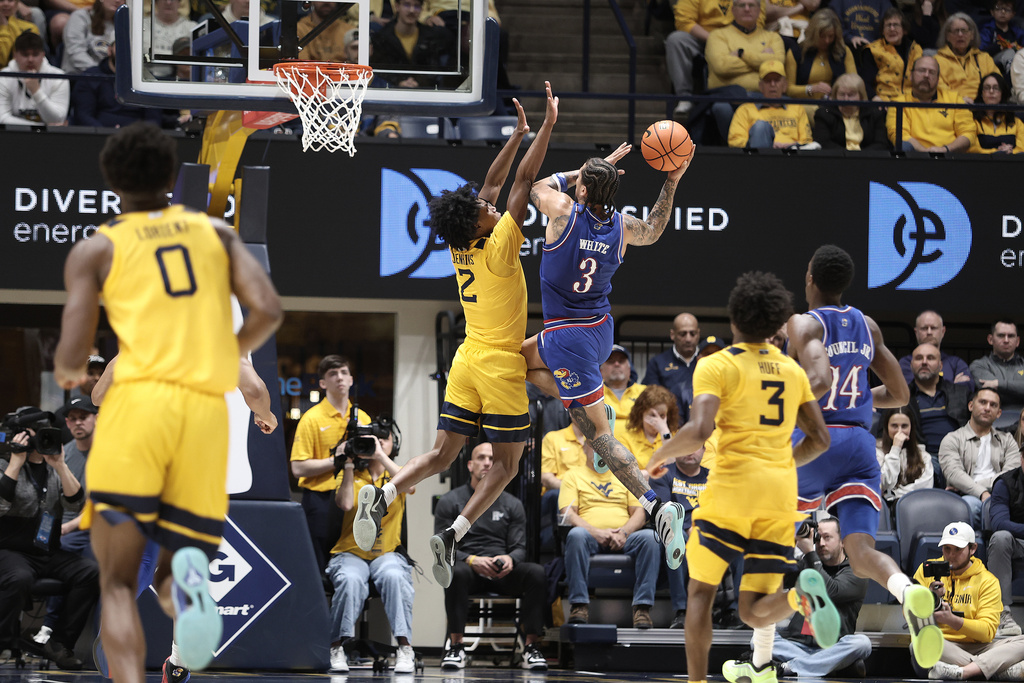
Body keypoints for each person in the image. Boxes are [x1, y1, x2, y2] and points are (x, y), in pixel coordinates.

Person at [52, 123, 282, 681]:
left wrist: (88, 377)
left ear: (114, 183)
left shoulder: (98, 249)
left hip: (140, 420)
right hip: (203, 423)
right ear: (171, 180)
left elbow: (71, 364)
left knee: (116, 582)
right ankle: (188, 590)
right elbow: (269, 312)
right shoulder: (217, 239)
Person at [354, 86, 559, 588]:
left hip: (467, 360)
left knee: (442, 454)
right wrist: (549, 125)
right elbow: (524, 181)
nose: (488, 205)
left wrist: (516, 136)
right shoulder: (500, 247)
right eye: (484, 209)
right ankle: (456, 531)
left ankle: (382, 495)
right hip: (498, 364)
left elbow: (491, 183)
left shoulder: (464, 245)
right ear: (479, 223)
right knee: (508, 467)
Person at [646, 270, 836, 683]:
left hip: (732, 490)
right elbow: (820, 439)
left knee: (700, 593)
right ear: (777, 323)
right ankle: (799, 596)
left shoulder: (717, 365)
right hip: (780, 495)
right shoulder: (792, 369)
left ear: (734, 320)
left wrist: (658, 456)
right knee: (753, 609)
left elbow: (699, 431)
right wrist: (783, 460)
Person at [519, 123, 692, 576]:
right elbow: (655, 228)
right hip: (598, 328)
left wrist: (589, 170)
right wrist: (671, 179)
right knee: (513, 360)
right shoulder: (620, 227)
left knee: (598, 437)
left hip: (567, 335)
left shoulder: (562, 214)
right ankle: (584, 398)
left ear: (582, 190)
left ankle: (656, 507)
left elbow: (536, 184)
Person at [785, 244, 944, 671]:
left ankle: (808, 592)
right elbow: (901, 394)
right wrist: (860, 401)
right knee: (861, 554)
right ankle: (907, 591)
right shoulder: (866, 324)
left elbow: (815, 385)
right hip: (859, 443)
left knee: (775, 526)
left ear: (811, 279)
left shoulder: (802, 323)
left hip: (817, 437)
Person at [0, 408, 99, 670]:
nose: (44, 437)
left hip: (47, 551)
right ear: (21, 435)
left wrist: (61, 465)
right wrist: (15, 463)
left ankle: (59, 643)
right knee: (19, 577)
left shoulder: (53, 467)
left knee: (90, 572)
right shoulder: (3, 465)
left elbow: (77, 505)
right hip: (10, 550)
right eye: (38, 432)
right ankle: (3, 641)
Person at [436, 443, 548, 671]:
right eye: (481, 458)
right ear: (470, 465)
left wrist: (510, 559)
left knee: (536, 572)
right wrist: (471, 560)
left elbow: (519, 547)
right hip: (469, 570)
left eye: (492, 458)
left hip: (502, 571)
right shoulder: (450, 501)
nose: (487, 462)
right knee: (454, 572)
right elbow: (443, 546)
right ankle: (456, 647)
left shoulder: (512, 504)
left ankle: (531, 649)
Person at [328, 432, 416, 674]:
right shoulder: (352, 475)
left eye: (382, 439)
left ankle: (405, 647)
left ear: (393, 445)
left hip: (387, 553)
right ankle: (337, 647)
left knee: (395, 577)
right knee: (349, 580)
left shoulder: (397, 474)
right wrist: (347, 463)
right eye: (370, 440)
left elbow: (411, 484)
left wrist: (379, 455)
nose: (376, 443)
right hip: (351, 552)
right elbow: (345, 504)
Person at [559, 440, 662, 629]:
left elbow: (639, 513)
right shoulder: (572, 476)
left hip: (625, 535)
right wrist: (596, 532)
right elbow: (569, 514)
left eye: (603, 447)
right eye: (593, 446)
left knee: (650, 538)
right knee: (575, 535)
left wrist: (624, 532)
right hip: (589, 535)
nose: (598, 451)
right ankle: (579, 605)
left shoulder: (626, 475)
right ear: (584, 449)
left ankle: (642, 608)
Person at [290, 355, 372, 572]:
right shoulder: (311, 418)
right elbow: (298, 468)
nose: (340, 378)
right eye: (333, 374)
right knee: (317, 568)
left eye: (344, 372)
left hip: (356, 500)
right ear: (323, 383)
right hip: (321, 501)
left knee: (355, 567)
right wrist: (337, 459)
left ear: (352, 379)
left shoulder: (363, 419)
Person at [913, 522, 1024, 681]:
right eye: (947, 549)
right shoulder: (927, 570)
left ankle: (964, 672)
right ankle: (997, 671)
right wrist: (929, 599)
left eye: (958, 549)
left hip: (982, 647)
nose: (951, 555)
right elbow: (910, 616)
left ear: (972, 549)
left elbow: (987, 632)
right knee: (918, 644)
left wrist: (953, 620)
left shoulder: (987, 581)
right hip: (944, 644)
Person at [772, 517, 872, 678]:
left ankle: (792, 666)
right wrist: (790, 543)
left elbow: (830, 591)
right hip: (796, 644)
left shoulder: (857, 572)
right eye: (818, 538)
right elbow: (778, 580)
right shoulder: (808, 563)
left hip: (831, 647)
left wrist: (810, 554)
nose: (821, 543)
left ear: (843, 542)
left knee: (862, 644)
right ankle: (830, 666)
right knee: (758, 640)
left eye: (827, 537)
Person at [663, 0, 767, 120]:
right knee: (675, 40)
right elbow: (684, 22)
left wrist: (731, 42)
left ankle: (750, 94)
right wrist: (715, 40)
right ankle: (684, 97)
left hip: (738, 38)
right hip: (702, 37)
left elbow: (757, 20)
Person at [939, 388, 1021, 529]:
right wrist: (981, 493)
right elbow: (954, 474)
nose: (987, 408)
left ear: (999, 413)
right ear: (971, 406)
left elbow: (1011, 474)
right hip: (966, 498)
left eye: (993, 405)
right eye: (983, 402)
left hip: (1000, 496)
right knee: (970, 506)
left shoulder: (1008, 440)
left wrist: (976, 486)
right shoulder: (952, 439)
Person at [704, 0, 785, 142]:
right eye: (742, 5)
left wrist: (742, 55)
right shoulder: (717, 35)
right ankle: (738, 147)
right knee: (720, 108)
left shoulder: (773, 37)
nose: (747, 9)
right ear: (733, 10)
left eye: (752, 5)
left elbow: (778, 64)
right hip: (729, 97)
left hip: (764, 97)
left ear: (759, 10)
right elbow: (722, 67)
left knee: (796, 107)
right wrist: (763, 59)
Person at [649, 445, 710, 630]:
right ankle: (682, 611)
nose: (690, 451)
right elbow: (663, 513)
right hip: (676, 529)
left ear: (704, 450)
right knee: (677, 538)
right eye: (686, 446)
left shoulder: (714, 477)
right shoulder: (663, 475)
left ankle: (733, 611)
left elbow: (722, 510)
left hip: (707, 529)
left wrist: (700, 528)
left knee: (736, 543)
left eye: (696, 447)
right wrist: (688, 528)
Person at [906, 343, 971, 489]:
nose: (924, 362)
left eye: (930, 358)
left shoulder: (960, 392)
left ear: (940, 365)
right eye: (919, 358)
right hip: (921, 457)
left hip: (959, 456)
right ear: (911, 365)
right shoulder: (902, 397)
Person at [886, 55, 974, 153]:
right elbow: (898, 135)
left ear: (937, 80)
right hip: (914, 159)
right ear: (911, 75)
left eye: (932, 72)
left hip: (949, 158)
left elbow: (968, 133)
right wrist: (927, 153)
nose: (926, 75)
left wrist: (945, 150)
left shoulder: (954, 99)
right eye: (921, 70)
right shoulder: (898, 103)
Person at [71, 43, 164, 127]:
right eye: (120, 46)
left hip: (136, 138)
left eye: (132, 48)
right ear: (109, 50)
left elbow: (153, 118)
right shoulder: (91, 76)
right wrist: (103, 133)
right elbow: (83, 115)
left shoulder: (147, 79)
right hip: (100, 136)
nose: (126, 52)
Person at [727, 60, 814, 149]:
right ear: (760, 86)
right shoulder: (745, 110)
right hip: (759, 156)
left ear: (784, 85)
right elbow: (735, 141)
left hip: (792, 156)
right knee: (760, 126)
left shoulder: (797, 108)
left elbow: (807, 141)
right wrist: (768, 144)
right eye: (768, 80)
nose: (772, 84)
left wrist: (789, 145)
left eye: (777, 80)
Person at [370, 0, 453, 88]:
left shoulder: (430, 36)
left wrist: (417, 83)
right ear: (397, 6)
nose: (412, 10)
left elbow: (433, 69)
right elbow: (381, 70)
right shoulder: (382, 37)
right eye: (407, 5)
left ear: (422, 9)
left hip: (423, 91)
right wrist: (399, 82)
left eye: (416, 6)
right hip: (391, 92)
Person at [987, 448, 1024, 638]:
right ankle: (1001, 613)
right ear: (1021, 458)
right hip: (1017, 544)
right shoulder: (1005, 483)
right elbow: (999, 522)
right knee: (1000, 538)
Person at [783, 9, 857, 101]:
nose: (827, 40)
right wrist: (811, 89)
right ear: (813, 34)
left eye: (831, 36)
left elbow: (855, 83)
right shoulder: (796, 52)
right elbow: (789, 89)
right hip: (805, 104)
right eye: (822, 36)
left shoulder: (843, 51)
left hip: (835, 105)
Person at [0, 31, 69, 126]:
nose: (30, 60)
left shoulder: (59, 77)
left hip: (49, 138)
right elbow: (2, 118)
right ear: (15, 55)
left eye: (35, 54)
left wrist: (36, 92)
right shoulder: (4, 76)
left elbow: (58, 118)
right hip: (13, 136)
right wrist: (41, 128)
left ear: (43, 55)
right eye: (25, 55)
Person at [642, 312, 701, 419]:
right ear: (672, 334)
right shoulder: (658, 363)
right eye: (683, 334)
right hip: (669, 424)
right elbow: (651, 399)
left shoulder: (708, 361)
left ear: (698, 334)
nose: (688, 339)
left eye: (692, 333)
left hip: (704, 423)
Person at [898, 310, 975, 390]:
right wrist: (953, 387)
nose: (929, 332)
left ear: (943, 331)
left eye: (933, 328)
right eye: (924, 328)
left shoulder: (956, 363)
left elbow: (967, 389)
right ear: (916, 332)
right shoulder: (906, 363)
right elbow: (909, 391)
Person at [812, 73, 890, 150]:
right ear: (835, 95)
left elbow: (881, 144)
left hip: (867, 160)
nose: (846, 99)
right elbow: (823, 142)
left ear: (861, 96)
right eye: (842, 94)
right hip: (838, 160)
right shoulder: (824, 113)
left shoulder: (874, 114)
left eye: (851, 95)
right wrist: (847, 157)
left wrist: (861, 157)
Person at [970, 320, 1024, 431]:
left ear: (1017, 341)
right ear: (990, 339)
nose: (1006, 340)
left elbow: (997, 390)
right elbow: (989, 393)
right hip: (992, 425)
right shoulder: (979, 366)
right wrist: (1018, 390)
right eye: (1001, 335)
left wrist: (998, 384)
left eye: (1011, 336)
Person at [876, 407, 934, 508]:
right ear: (886, 427)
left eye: (904, 426)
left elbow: (925, 488)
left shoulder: (923, 455)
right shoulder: (876, 453)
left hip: (915, 506)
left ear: (911, 428)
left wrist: (895, 495)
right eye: (894, 426)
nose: (899, 431)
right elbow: (885, 483)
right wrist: (895, 449)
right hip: (886, 507)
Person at [861, 8, 923, 100]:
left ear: (904, 29)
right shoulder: (872, 50)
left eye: (896, 25)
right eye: (888, 25)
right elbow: (866, 82)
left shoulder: (916, 49)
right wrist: (874, 98)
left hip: (911, 100)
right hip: (884, 101)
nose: (892, 29)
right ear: (882, 31)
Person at [936, 13, 999, 100]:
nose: (960, 35)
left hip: (982, 107)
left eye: (964, 30)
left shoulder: (984, 58)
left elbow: (998, 84)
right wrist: (959, 100)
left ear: (972, 35)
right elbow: (938, 88)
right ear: (947, 36)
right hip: (952, 107)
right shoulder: (937, 61)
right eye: (956, 31)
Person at [620, 384, 680, 470]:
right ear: (641, 414)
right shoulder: (626, 439)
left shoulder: (675, 436)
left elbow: (675, 471)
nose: (658, 421)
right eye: (652, 415)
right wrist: (657, 473)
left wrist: (665, 433)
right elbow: (628, 475)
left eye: (662, 416)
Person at [61, 0, 123, 75]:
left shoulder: (123, 23)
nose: (117, 1)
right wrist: (98, 72)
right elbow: (75, 52)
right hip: (79, 76)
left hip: (108, 78)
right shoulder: (81, 16)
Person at [969, 71, 1024, 152]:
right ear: (982, 93)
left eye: (996, 88)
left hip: (1011, 163)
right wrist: (996, 153)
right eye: (987, 88)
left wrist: (1011, 152)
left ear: (1002, 93)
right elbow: (972, 149)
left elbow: (1022, 148)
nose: (991, 91)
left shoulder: (1016, 122)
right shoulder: (973, 121)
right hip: (982, 163)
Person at [142, 0, 195, 79]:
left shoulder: (192, 27)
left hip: (182, 80)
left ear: (179, 3)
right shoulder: (143, 24)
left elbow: (195, 56)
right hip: (148, 79)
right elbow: (145, 51)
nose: (168, 2)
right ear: (156, 2)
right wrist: (180, 56)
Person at [602, 344, 645, 425]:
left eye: (621, 361)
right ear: (601, 371)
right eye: (611, 361)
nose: (617, 364)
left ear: (629, 369)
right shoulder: (592, 394)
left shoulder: (645, 392)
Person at [980, 0, 1024, 73]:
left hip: (1017, 60)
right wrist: (999, 47)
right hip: (992, 62)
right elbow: (981, 51)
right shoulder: (987, 30)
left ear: (1013, 14)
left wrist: (1016, 47)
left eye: (1007, 10)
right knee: (1009, 53)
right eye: (998, 8)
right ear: (992, 12)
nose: (1003, 12)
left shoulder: (1017, 31)